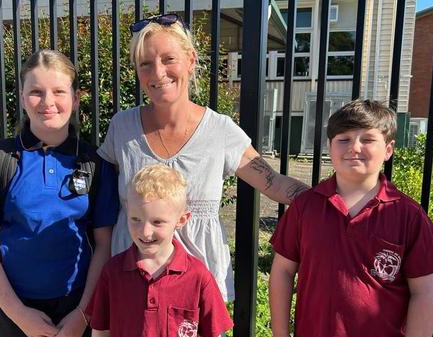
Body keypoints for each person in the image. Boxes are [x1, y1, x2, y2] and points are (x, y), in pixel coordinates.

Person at [98, 13, 309, 303]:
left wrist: (332, 202)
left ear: (191, 60)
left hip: (198, 291)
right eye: (145, 63)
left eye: (168, 59)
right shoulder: (122, 128)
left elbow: (273, 183)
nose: (157, 73)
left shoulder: (219, 131)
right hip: (133, 282)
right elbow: (98, 194)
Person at [0, 49, 119, 337]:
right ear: (24, 97)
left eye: (58, 91)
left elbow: (104, 244)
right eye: (36, 92)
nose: (47, 102)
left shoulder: (95, 163)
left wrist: (84, 313)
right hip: (11, 307)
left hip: (76, 306)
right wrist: (19, 314)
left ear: (76, 97)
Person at [268, 99, 433, 337]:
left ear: (388, 149)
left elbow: (425, 292)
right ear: (330, 147)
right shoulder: (305, 207)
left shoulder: (407, 215)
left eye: (367, 139)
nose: (354, 148)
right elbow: (282, 272)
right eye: (343, 139)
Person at [87, 164, 233, 337]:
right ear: (127, 212)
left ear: (181, 220)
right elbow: (100, 328)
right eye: (136, 219)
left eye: (157, 222)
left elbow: (211, 335)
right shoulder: (113, 273)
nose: (145, 231)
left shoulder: (198, 276)